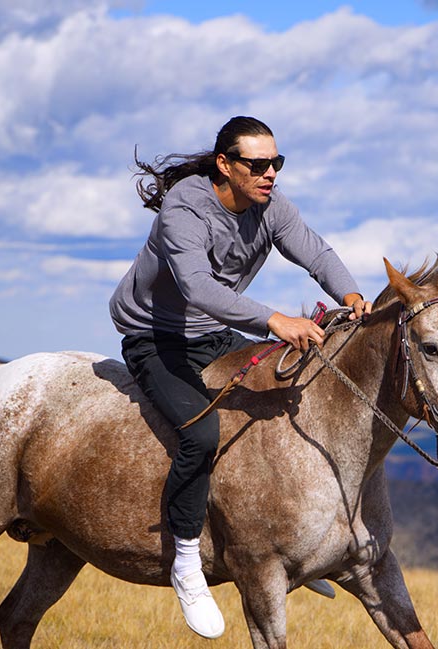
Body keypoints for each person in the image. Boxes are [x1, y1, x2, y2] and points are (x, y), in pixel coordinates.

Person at [109, 116, 371, 639]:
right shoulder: (185, 208)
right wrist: (275, 320)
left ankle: (283, 544)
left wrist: (351, 295)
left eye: (277, 162)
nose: (270, 173)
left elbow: (315, 252)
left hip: (216, 334)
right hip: (157, 337)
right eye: (258, 164)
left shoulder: (271, 208)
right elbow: (198, 288)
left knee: (285, 400)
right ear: (225, 166)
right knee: (201, 433)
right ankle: (186, 560)